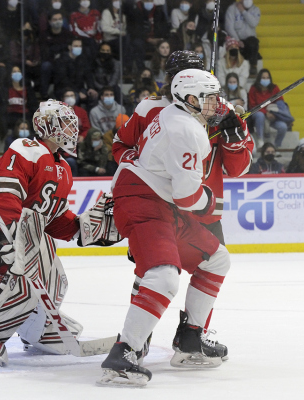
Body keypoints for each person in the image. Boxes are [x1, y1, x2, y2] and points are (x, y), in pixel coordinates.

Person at [112, 50, 253, 363]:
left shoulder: (219, 108)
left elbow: (238, 168)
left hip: (203, 209)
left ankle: (193, 337)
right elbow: (121, 147)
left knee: (213, 263)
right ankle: (136, 338)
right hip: (160, 205)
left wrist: (234, 140)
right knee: (154, 272)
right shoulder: (151, 107)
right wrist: (142, 171)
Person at [99, 70, 231, 386]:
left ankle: (190, 340)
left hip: (156, 198)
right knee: (164, 275)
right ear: (190, 99)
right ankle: (124, 353)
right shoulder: (187, 130)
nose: (217, 104)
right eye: (210, 97)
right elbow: (187, 197)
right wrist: (212, 202)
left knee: (217, 258)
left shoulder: (172, 112)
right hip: (143, 199)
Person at [0, 99, 82, 367]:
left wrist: (89, 228)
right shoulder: (27, 148)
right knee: (16, 282)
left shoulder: (63, 169)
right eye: (64, 123)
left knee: (55, 280)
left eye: (71, 123)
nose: (70, 129)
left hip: (15, 231)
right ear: (45, 126)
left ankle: (37, 330)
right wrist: (12, 233)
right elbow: (5, 191)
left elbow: (52, 219)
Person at [124, 0, 170, 71]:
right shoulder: (135, 10)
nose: (149, 2)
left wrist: (160, 38)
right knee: (137, 44)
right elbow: (133, 30)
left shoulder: (158, 11)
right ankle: (142, 71)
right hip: (141, 38)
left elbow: (164, 26)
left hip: (156, 38)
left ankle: (165, 69)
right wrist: (148, 39)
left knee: (166, 44)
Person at [248, 69, 288, 149]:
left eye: (267, 78)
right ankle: (260, 140)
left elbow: (281, 102)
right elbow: (252, 106)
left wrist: (274, 114)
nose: (265, 79)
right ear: (259, 78)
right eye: (263, 77)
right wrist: (266, 112)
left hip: (273, 116)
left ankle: (276, 146)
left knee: (283, 127)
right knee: (260, 115)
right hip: (258, 114)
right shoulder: (253, 89)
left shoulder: (275, 88)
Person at [53, 37, 97, 107]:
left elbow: (88, 75)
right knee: (73, 98)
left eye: (80, 46)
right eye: (76, 46)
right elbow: (63, 80)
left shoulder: (83, 59)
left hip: (80, 88)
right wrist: (77, 92)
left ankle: (87, 117)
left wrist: (91, 88)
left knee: (94, 96)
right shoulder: (61, 61)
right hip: (63, 89)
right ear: (69, 47)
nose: (78, 48)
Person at [38, 10, 73, 99]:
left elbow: (68, 51)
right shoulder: (44, 35)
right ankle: (44, 93)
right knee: (45, 66)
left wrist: (55, 50)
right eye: (55, 19)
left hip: (63, 62)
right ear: (49, 22)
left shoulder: (67, 34)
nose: (58, 21)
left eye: (60, 19)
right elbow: (45, 52)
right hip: (50, 62)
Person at [225, 0, 261, 77]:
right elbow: (229, 27)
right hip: (236, 38)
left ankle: (253, 67)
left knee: (253, 43)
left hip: (249, 39)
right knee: (233, 46)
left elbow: (254, 23)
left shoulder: (256, 9)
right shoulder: (232, 9)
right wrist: (237, 40)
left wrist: (243, 11)